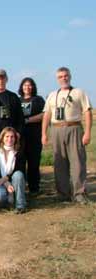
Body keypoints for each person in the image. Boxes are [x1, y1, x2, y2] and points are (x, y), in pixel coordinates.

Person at [42, 67, 93, 204]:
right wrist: (44, 134)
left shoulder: (78, 92)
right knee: (59, 163)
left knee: (77, 162)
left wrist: (87, 132)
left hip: (74, 128)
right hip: (57, 129)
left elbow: (87, 112)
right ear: (57, 79)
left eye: (65, 76)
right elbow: (47, 114)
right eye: (60, 76)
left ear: (69, 76)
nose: (63, 78)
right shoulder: (53, 95)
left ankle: (79, 194)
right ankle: (63, 194)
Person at [18, 77, 45, 196]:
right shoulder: (17, 100)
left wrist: (28, 120)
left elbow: (45, 114)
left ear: (33, 87)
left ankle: (34, 188)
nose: (27, 87)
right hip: (21, 137)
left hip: (34, 136)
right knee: (21, 163)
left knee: (34, 163)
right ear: (21, 87)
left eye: (29, 85)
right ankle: (21, 188)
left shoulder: (38, 100)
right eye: (25, 85)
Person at [0, 127, 26, 214]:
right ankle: (10, 201)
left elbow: (20, 169)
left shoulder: (19, 152)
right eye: (7, 136)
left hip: (14, 181)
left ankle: (20, 205)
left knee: (18, 174)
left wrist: (6, 178)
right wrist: (6, 183)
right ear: (2, 138)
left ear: (15, 138)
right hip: (1, 182)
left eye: (12, 137)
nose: (9, 139)